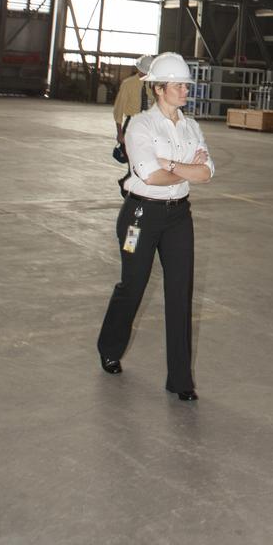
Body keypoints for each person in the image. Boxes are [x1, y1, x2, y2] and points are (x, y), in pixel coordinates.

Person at [97, 52, 214, 401]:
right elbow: (150, 175)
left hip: (179, 216)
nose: (185, 90)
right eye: (178, 85)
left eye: (185, 85)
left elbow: (207, 173)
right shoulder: (141, 125)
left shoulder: (192, 126)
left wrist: (171, 164)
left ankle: (180, 380)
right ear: (160, 89)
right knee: (133, 285)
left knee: (180, 293)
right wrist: (183, 167)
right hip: (141, 215)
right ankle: (109, 346)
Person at [112, 55, 153, 196]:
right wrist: (119, 133)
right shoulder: (128, 84)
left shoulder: (153, 85)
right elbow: (118, 109)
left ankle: (127, 183)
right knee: (134, 162)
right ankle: (128, 189)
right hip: (132, 125)